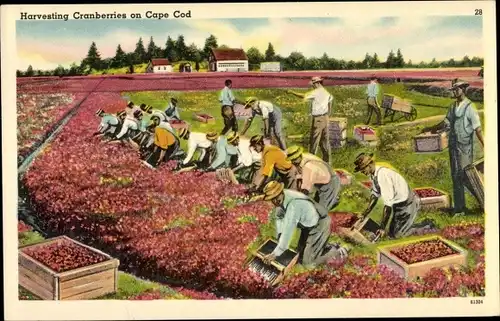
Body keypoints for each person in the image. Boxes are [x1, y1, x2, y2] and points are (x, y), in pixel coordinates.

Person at [421, 80, 484, 216]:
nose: (455, 92)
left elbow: (478, 129)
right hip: (454, 146)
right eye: (453, 89)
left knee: (467, 177)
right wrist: (431, 128)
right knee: (455, 177)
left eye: (457, 89)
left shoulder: (470, 107)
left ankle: (484, 200)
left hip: (465, 146)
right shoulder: (452, 107)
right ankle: (459, 208)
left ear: (463, 89)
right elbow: (445, 123)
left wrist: (485, 145)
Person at [261, 181, 349, 267]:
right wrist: (279, 234)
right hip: (307, 226)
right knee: (299, 256)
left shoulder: (294, 205)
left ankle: (338, 252)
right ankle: (322, 246)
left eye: (276, 196)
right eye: (272, 198)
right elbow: (279, 217)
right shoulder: (283, 198)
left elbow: (288, 230)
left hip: (319, 224)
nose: (275, 200)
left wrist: (275, 254)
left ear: (281, 192)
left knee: (308, 263)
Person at [354, 153, 437, 240]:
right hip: (398, 205)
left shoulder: (383, 176)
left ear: (370, 165)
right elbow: (374, 196)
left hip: (407, 204)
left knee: (398, 236)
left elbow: (388, 205)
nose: (362, 172)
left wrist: (382, 228)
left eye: (363, 169)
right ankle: (424, 224)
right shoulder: (374, 175)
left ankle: (428, 227)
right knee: (392, 233)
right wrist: (365, 213)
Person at [286, 76, 333, 163]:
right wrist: (327, 115)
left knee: (314, 141)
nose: (312, 86)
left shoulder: (316, 92)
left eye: (313, 84)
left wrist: (291, 92)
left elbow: (303, 96)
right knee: (325, 142)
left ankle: (311, 161)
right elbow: (330, 103)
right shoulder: (326, 92)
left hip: (318, 119)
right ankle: (327, 162)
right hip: (325, 118)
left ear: (317, 83)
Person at [286, 146, 341, 212]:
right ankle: (333, 200)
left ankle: (332, 201)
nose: (293, 162)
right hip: (323, 181)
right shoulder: (304, 158)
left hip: (330, 183)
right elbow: (301, 178)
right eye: (292, 160)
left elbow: (305, 189)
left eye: (294, 159)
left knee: (320, 211)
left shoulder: (308, 166)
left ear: (299, 156)